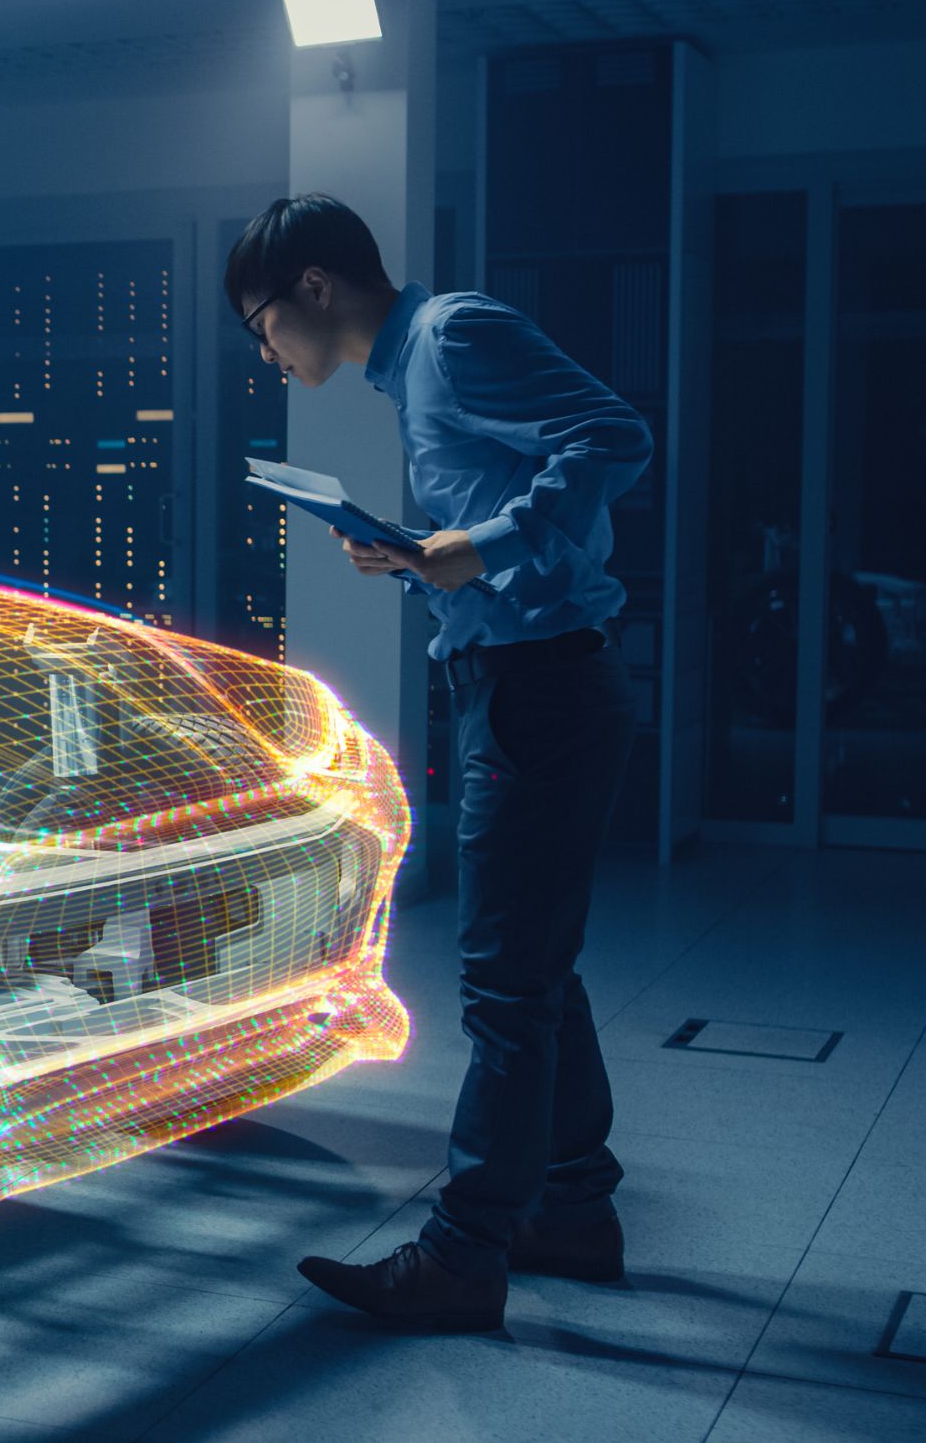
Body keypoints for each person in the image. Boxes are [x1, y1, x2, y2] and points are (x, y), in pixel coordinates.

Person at [228, 193, 652, 1331]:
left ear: (314, 287)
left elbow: (617, 436)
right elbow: (506, 536)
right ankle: (571, 1210)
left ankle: (464, 1259)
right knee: (539, 975)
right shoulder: (409, 370)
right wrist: (424, 560)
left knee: (506, 987)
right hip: (524, 678)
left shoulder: (452, 338)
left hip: (541, 688)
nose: (265, 350)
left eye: (263, 323)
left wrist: (484, 542)